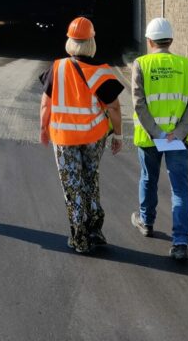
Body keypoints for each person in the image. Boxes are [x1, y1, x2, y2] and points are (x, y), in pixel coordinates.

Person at [39, 16, 124, 255]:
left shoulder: (57, 68)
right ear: (91, 42)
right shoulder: (101, 72)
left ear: (70, 41)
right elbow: (115, 108)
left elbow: (45, 105)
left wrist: (43, 129)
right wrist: (117, 136)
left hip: (65, 140)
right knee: (90, 180)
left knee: (72, 188)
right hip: (94, 138)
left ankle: (79, 239)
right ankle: (95, 230)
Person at [129, 17, 188, 262]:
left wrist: (158, 133)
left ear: (149, 41)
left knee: (149, 179)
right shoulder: (187, 65)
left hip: (150, 138)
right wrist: (177, 133)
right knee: (180, 189)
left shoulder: (140, 64)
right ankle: (180, 242)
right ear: (170, 40)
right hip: (178, 139)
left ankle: (146, 221)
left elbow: (139, 104)